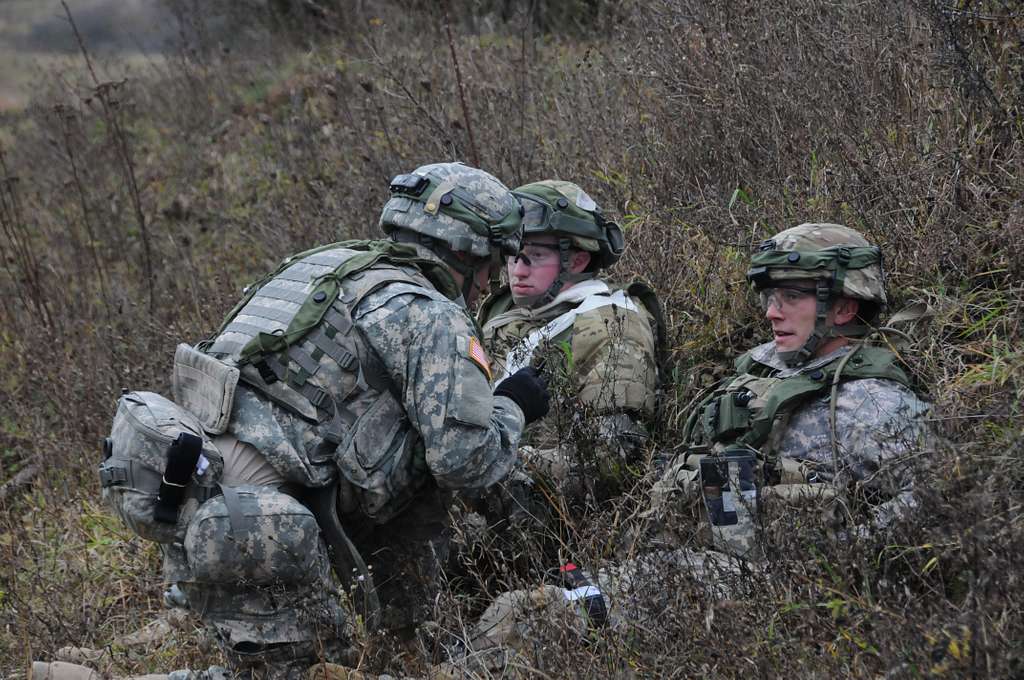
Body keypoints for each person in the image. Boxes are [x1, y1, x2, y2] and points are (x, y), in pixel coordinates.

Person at [86, 162, 552, 680]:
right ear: (466, 252)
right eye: (490, 265)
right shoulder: (428, 314)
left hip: (197, 504)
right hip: (261, 532)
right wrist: (513, 405)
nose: (490, 282)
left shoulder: (320, 270)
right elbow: (464, 460)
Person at [439, 222, 931, 663]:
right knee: (511, 608)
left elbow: (926, 504)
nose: (771, 313)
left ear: (843, 306)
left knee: (530, 622)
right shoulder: (763, 366)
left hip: (754, 583)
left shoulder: (875, 404)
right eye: (769, 298)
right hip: (675, 558)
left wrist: (827, 565)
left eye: (791, 298)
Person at [476, 180, 664, 504]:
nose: (517, 271)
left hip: (542, 511)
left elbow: (614, 455)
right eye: (512, 256)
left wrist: (494, 463)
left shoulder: (611, 324)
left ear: (576, 261)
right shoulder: (506, 313)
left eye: (533, 256)